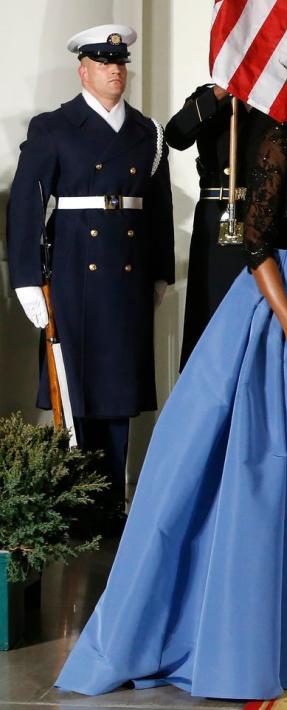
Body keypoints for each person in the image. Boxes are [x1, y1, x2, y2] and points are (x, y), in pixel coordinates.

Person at [55, 19, 287, 700]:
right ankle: (257, 635)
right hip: (276, 325)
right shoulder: (283, 142)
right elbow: (257, 244)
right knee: (259, 483)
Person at [5, 24, 174, 522]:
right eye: (104, 63)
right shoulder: (53, 126)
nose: (115, 71)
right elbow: (25, 206)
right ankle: (76, 503)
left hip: (127, 276)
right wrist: (26, 278)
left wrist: (159, 271)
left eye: (120, 63)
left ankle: (109, 505)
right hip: (75, 267)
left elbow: (158, 207)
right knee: (75, 389)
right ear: (84, 70)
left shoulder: (148, 131)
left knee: (118, 392)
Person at [166, 83, 276, 369]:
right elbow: (176, 135)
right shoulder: (211, 98)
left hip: (265, 218)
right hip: (218, 220)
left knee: (261, 310)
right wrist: (219, 93)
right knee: (211, 311)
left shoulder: (278, 96)